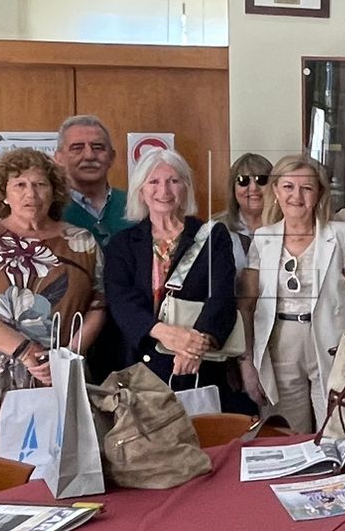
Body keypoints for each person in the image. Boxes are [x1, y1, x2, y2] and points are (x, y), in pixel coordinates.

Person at [0, 148, 105, 456]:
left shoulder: (82, 242)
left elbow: (99, 304)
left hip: (63, 371)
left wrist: (66, 356)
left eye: (40, 184)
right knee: (0, 466)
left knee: (65, 459)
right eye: (19, 184)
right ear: (3, 193)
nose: (30, 193)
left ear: (54, 191)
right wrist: (25, 352)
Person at [105, 149, 247, 406]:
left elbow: (222, 297)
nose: (164, 190)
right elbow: (121, 302)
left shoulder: (213, 236)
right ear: (141, 191)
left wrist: (194, 348)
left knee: (206, 439)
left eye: (173, 180)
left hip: (197, 366)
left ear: (186, 188)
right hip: (140, 365)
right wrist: (165, 334)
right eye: (154, 182)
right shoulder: (122, 244)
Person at [240, 154, 345, 433]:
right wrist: (247, 361)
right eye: (288, 187)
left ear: (319, 193)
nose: (296, 196)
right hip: (280, 341)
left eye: (307, 188)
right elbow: (247, 305)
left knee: (336, 429)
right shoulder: (264, 238)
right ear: (275, 191)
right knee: (287, 432)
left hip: (332, 339)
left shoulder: (341, 234)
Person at [55, 116, 127, 243]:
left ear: (112, 157)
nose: (89, 156)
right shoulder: (48, 209)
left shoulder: (136, 205)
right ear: (59, 158)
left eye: (98, 147)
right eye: (77, 148)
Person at [220, 151, 273, 261]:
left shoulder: (288, 226)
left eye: (262, 180)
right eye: (243, 181)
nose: (253, 188)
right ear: (233, 188)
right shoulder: (215, 228)